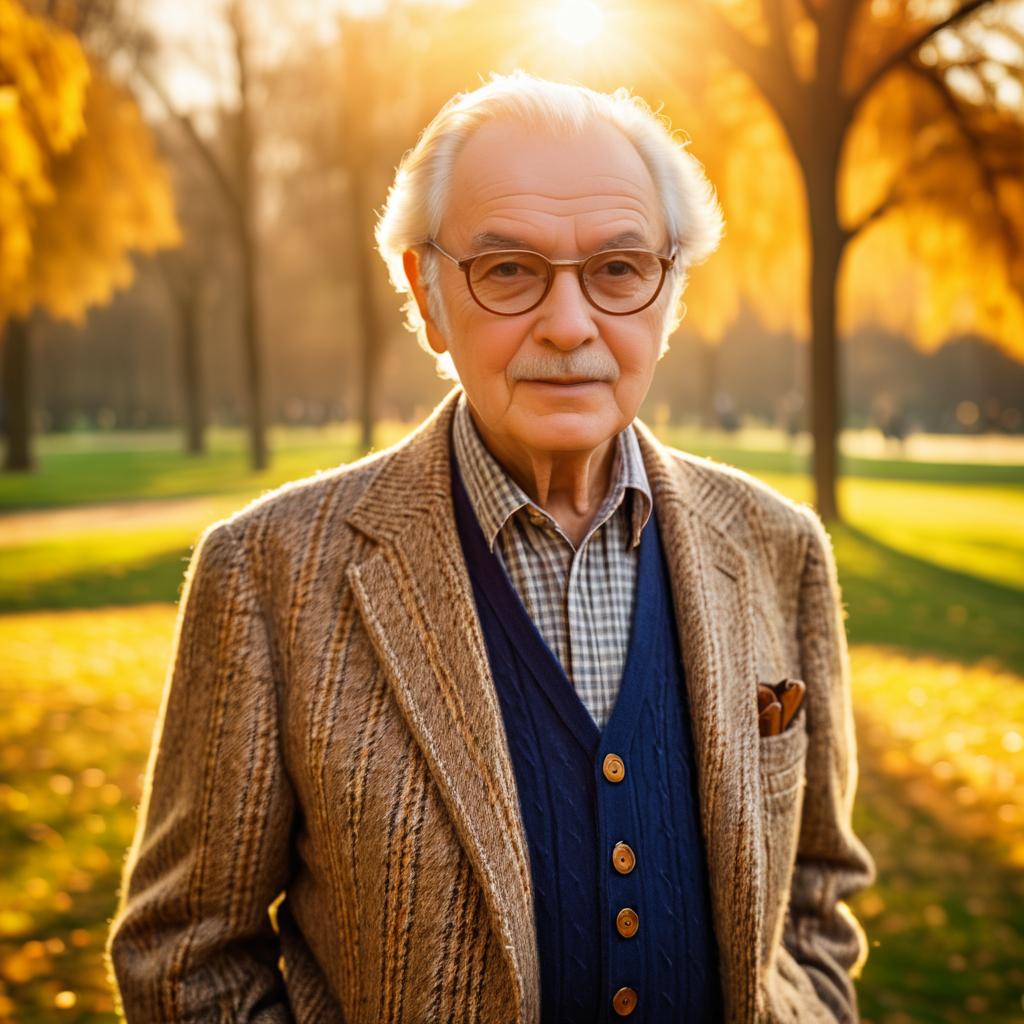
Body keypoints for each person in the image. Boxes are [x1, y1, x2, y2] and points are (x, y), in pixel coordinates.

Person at [106, 71, 876, 1023]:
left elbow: (816, 899)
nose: (567, 324)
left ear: (667, 298)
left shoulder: (778, 548)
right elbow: (185, 956)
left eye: (618, 269)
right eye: (508, 269)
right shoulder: (268, 576)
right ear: (428, 296)